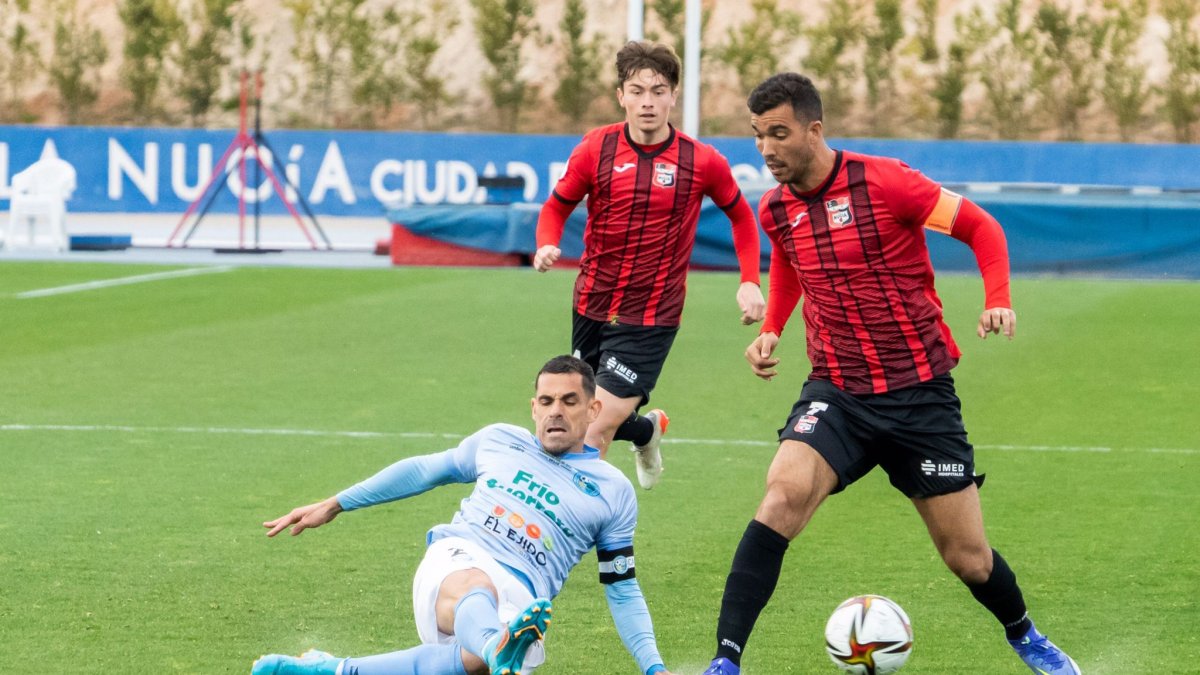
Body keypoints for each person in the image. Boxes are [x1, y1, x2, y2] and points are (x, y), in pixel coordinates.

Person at [701, 73, 1081, 675]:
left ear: (814, 130)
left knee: (968, 558)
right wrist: (773, 326)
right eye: (758, 136)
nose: (767, 149)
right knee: (781, 497)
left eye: (779, 133)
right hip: (838, 391)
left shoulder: (887, 182)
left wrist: (998, 298)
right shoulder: (774, 209)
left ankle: (1025, 634)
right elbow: (792, 266)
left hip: (919, 393)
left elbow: (980, 227)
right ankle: (726, 661)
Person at [252, 356, 676, 675]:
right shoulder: (500, 440)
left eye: (569, 401)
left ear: (594, 410)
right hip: (460, 559)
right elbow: (424, 470)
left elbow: (623, 588)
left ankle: (332, 669)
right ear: (533, 408)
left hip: (524, 601)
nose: (556, 412)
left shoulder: (613, 490)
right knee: (478, 591)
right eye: (546, 401)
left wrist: (654, 668)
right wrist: (337, 502)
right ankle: (495, 645)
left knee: (476, 661)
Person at [533, 40, 766, 490]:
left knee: (591, 429)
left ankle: (585, 522)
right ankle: (645, 431)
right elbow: (556, 206)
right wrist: (546, 243)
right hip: (591, 305)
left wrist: (750, 281)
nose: (648, 102)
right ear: (621, 95)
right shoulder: (595, 148)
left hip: (651, 317)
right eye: (637, 91)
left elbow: (741, 216)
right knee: (586, 411)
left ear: (673, 96)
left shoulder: (701, 160)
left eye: (658, 91)